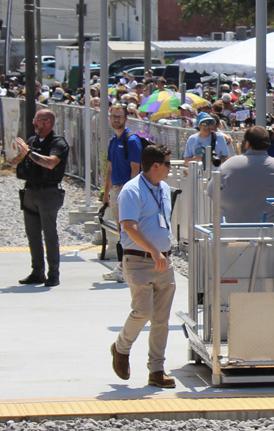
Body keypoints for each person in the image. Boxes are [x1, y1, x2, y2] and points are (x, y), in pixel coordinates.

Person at [110, 144, 177, 389]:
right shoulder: (132, 190)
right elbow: (129, 226)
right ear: (155, 166)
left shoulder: (164, 189)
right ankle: (121, 347)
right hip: (139, 260)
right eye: (168, 164)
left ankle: (157, 370)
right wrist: (153, 250)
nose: (170, 168)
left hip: (164, 261)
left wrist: (164, 250)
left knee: (161, 319)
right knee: (143, 311)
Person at [7, 109, 70, 287]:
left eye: (37, 120)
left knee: (49, 235)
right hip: (30, 192)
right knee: (32, 235)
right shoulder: (32, 142)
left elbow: (50, 163)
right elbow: (14, 163)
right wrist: (20, 155)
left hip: (48, 192)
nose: (34, 123)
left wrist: (29, 153)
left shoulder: (58, 143)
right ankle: (37, 272)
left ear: (48, 122)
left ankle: (53, 274)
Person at [101, 105, 146, 282]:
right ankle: (125, 266)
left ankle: (125, 268)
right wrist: (106, 193)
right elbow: (110, 168)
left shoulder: (131, 140)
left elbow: (135, 169)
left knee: (129, 232)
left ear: (126, 118)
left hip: (125, 191)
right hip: (115, 190)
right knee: (122, 233)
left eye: (120, 116)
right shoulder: (113, 141)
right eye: (114, 116)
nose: (116, 119)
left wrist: (130, 194)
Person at [214, 126, 274, 224]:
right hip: (273, 229)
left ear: (247, 144)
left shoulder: (230, 164)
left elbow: (211, 190)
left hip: (234, 228)